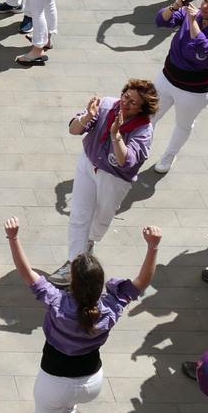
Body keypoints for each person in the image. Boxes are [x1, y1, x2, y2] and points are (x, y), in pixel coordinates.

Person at [6, 216, 158, 413]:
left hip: (54, 381)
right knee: (66, 412)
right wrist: (153, 247)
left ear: (72, 281)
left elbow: (27, 273)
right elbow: (142, 281)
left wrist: (14, 238)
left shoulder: (57, 303)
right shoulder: (112, 305)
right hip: (90, 383)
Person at [61, 81, 157, 272]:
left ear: (142, 109)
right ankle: (73, 265)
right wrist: (88, 116)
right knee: (79, 215)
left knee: (100, 219)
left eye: (133, 102)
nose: (125, 102)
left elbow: (125, 161)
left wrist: (116, 135)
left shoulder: (144, 131)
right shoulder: (105, 105)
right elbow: (73, 130)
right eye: (126, 96)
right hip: (88, 163)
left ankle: (89, 243)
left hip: (114, 178)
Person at [148, 0, 208, 174]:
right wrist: (174, 6)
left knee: (183, 124)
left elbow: (205, 47)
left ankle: (169, 155)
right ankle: (141, 145)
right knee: (150, 115)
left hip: (194, 91)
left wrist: (193, 21)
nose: (204, 6)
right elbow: (161, 21)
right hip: (167, 77)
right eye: (205, 1)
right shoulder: (190, 14)